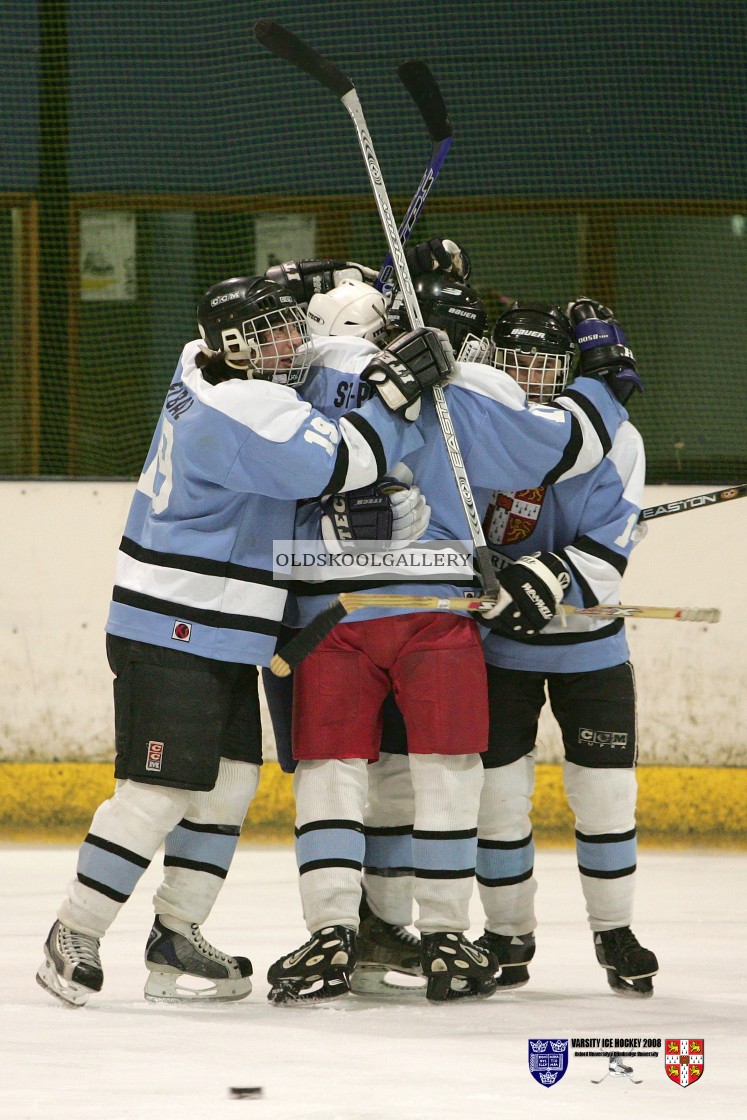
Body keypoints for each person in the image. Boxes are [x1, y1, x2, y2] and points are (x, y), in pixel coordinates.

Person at [35, 274, 450, 1007]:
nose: (290, 343)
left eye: (290, 324)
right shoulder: (237, 406)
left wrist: (327, 281)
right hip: (174, 623)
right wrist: (394, 392)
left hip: (223, 625)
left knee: (227, 782)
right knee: (159, 787)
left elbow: (270, 496)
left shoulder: (198, 358)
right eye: (271, 335)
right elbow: (340, 461)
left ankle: (176, 933)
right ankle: (75, 930)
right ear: (233, 348)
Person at [261, 270, 634, 1005]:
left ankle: (333, 931)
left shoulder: (324, 362)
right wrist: (604, 377)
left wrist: (331, 288)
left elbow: (263, 372)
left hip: (324, 607)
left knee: (331, 772)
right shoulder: (476, 390)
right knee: (441, 772)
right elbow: (574, 445)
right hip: (433, 611)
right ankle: (441, 935)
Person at [473, 299, 658, 998]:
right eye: (516, 359)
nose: (528, 375)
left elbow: (609, 552)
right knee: (495, 800)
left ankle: (614, 931)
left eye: (545, 362)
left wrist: (550, 573)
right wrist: (474, 569)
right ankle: (505, 933)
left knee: (606, 795)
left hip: (589, 647)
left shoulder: (619, 440)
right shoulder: (476, 430)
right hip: (499, 652)